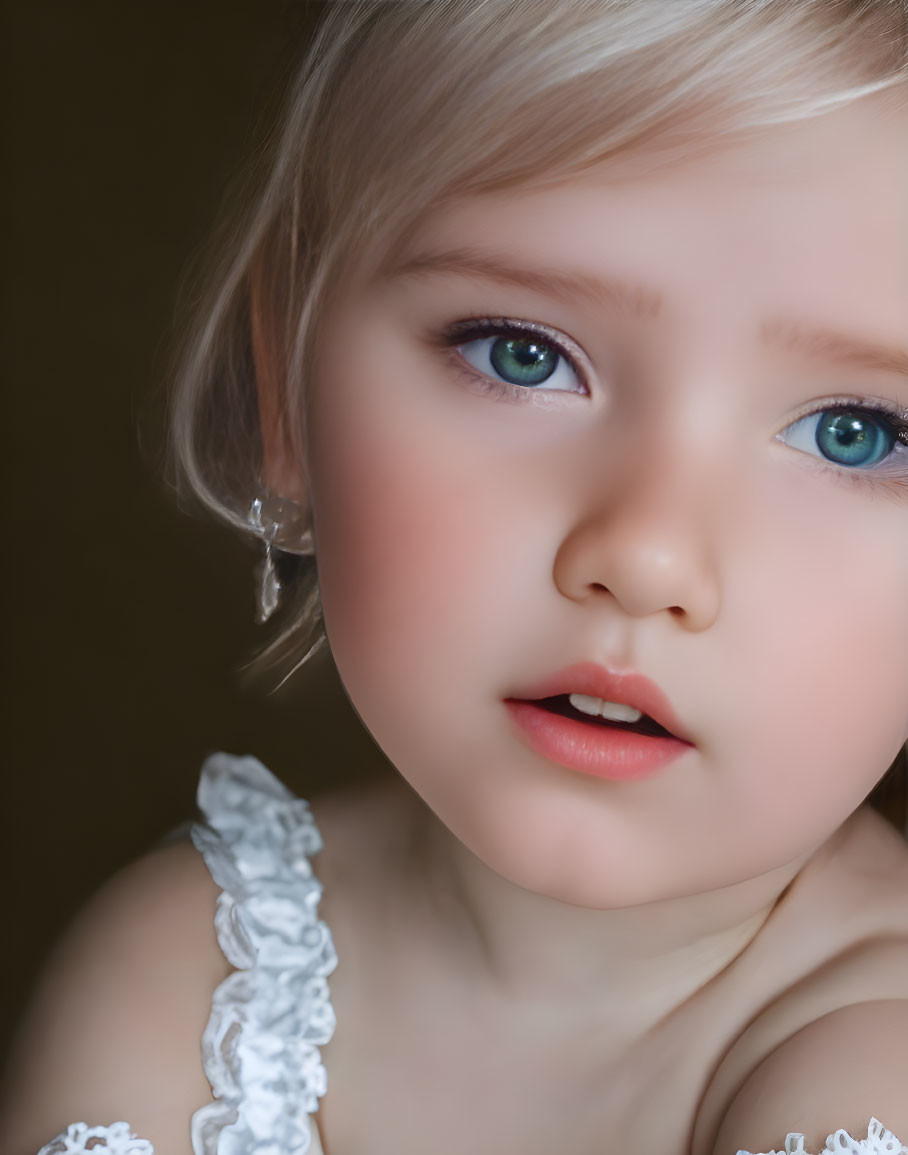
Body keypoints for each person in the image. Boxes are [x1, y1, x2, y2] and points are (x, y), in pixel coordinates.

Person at [3, 1, 908, 1152]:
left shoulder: (870, 1073)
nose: (642, 556)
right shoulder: (194, 972)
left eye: (856, 434)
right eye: (520, 354)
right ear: (289, 394)